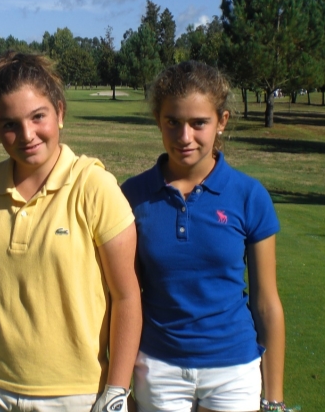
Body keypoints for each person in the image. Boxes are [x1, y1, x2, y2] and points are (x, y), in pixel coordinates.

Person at [0, 51, 142, 412]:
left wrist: (117, 390)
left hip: (72, 393)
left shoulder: (94, 185)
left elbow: (127, 297)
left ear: (59, 111)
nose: (26, 135)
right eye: (9, 124)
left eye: (38, 116)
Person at [121, 61, 292, 412]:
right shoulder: (132, 195)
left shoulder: (249, 195)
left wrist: (273, 400)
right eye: (173, 122)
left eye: (199, 123)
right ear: (158, 120)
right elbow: (124, 296)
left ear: (222, 121)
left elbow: (266, 303)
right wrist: (119, 383)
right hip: (158, 366)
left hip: (233, 369)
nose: (185, 137)